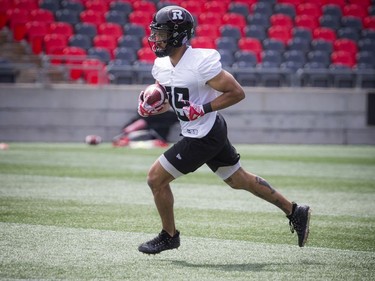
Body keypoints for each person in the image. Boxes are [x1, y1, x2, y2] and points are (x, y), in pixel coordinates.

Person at [137, 6, 311, 254]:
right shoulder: (162, 65)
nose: (156, 38)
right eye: (156, 32)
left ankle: (169, 235)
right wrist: (153, 105)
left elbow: (236, 92)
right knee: (238, 180)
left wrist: (203, 108)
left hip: (203, 134)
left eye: (162, 33)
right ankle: (295, 211)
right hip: (206, 129)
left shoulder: (200, 62)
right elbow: (170, 94)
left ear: (178, 34)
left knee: (155, 178)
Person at [112, 110, 178, 147]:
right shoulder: (143, 112)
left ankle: (126, 142)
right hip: (145, 135)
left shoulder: (168, 115)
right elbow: (129, 128)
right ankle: (125, 141)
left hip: (155, 136)